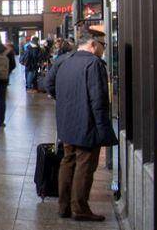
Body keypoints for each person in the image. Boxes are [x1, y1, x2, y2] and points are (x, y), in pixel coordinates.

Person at [46, 32, 118, 222]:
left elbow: (48, 84)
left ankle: (63, 206)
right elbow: (99, 100)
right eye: (102, 46)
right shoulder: (93, 64)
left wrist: (62, 99)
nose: (103, 50)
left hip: (66, 121)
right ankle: (80, 208)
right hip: (87, 123)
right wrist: (104, 130)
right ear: (93, 45)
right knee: (85, 166)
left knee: (67, 161)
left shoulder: (63, 60)